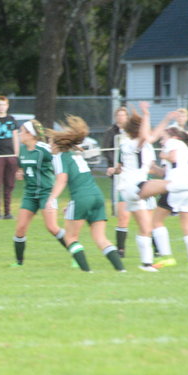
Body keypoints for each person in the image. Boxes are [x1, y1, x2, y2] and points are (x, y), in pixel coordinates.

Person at [46, 116, 125, 273]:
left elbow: (62, 179)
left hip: (82, 198)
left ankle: (87, 272)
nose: (49, 146)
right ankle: (121, 270)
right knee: (101, 238)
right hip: (96, 196)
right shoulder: (76, 155)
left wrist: (51, 198)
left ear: (57, 144)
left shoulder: (60, 157)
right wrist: (72, 204)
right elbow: (80, 181)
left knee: (70, 237)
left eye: (50, 142)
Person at [133, 122, 188, 270]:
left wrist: (162, 155)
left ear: (174, 136)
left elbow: (173, 157)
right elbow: (166, 171)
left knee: (156, 221)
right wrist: (153, 168)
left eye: (163, 137)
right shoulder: (187, 149)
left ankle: (167, 257)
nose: (161, 141)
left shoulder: (173, 142)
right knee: (187, 225)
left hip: (174, 187)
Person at [105, 103, 158, 272]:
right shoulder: (136, 144)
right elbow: (144, 136)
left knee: (145, 228)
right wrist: (146, 114)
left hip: (130, 188)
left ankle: (146, 264)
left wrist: (114, 170)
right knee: (172, 186)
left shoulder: (125, 145)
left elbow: (121, 167)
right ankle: (145, 261)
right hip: (136, 188)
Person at [11, 120, 68, 267]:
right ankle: (19, 263)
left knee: (52, 227)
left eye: (22, 131)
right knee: (20, 228)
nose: (20, 134)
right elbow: (22, 167)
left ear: (31, 134)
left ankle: (76, 252)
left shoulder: (44, 149)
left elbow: (61, 156)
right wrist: (20, 172)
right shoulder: (22, 150)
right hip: (30, 193)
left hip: (46, 193)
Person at [102, 106, 130, 257]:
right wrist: (114, 166)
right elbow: (106, 150)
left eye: (123, 115)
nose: (121, 117)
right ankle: (121, 249)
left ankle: (157, 249)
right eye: (118, 115)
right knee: (122, 214)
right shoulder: (111, 132)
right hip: (119, 173)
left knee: (146, 217)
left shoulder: (132, 134)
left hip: (135, 177)